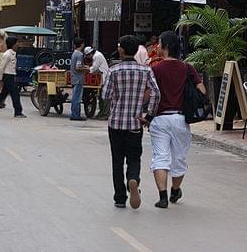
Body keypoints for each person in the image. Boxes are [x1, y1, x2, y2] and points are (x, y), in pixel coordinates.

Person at [148, 31, 206, 208]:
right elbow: (202, 90)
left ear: (165, 47)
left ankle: (163, 196)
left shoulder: (155, 69)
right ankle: (175, 190)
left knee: (160, 157)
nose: (156, 47)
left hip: (159, 119)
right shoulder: (187, 68)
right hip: (181, 119)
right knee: (179, 158)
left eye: (159, 44)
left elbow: (148, 93)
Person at [102, 35, 160, 209]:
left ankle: (120, 197)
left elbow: (105, 95)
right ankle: (133, 180)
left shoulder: (114, 70)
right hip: (135, 123)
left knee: (117, 160)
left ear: (121, 50)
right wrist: (148, 116)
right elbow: (156, 93)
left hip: (116, 123)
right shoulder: (146, 71)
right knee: (134, 158)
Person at [0, 36, 26, 118]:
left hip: (11, 75)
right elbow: (2, 66)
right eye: (17, 43)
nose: (18, 45)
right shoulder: (7, 54)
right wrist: (0, 77)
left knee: (3, 95)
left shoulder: (13, 53)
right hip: (7, 76)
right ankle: (18, 112)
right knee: (15, 93)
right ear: (13, 44)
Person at [84, 46, 111, 119]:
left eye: (87, 55)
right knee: (101, 97)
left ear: (90, 53)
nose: (87, 57)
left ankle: (105, 114)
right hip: (101, 77)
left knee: (105, 97)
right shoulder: (96, 55)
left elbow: (94, 68)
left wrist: (86, 69)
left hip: (104, 77)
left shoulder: (97, 56)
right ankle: (101, 113)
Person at [69, 37, 88, 121]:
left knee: (75, 97)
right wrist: (86, 69)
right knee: (77, 98)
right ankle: (75, 115)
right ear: (82, 44)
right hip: (78, 78)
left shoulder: (74, 54)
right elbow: (78, 67)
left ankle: (75, 114)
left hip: (74, 78)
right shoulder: (79, 54)